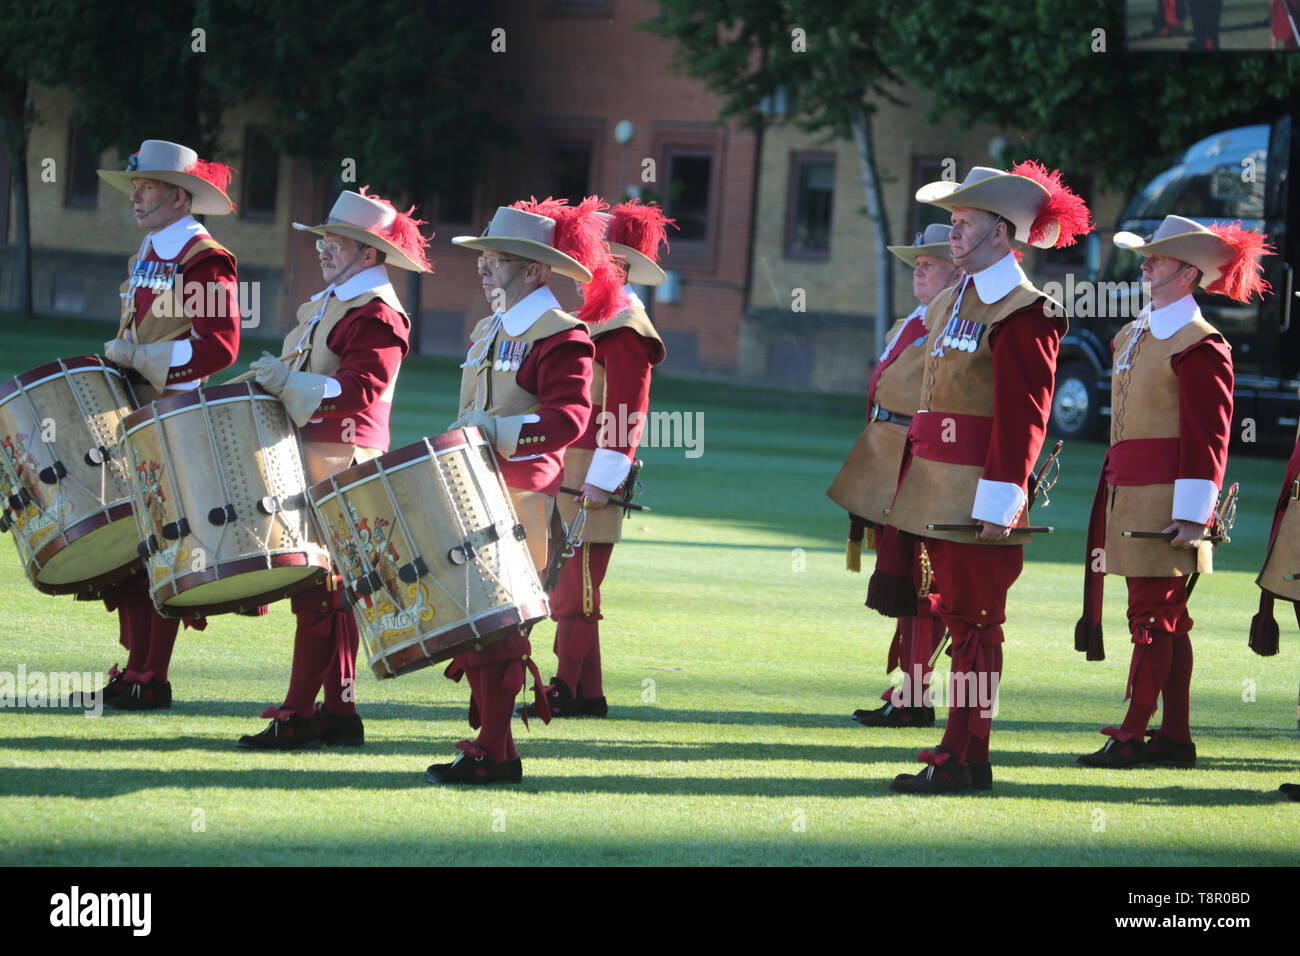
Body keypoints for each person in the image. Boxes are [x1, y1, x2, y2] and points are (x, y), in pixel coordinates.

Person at [885, 162, 1093, 794]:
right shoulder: (953, 298)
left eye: (964, 221)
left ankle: (961, 750)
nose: (952, 232)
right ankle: (969, 755)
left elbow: (1024, 415)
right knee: (958, 619)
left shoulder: (1027, 311)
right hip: (936, 486)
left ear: (1002, 232)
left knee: (975, 624)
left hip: (980, 490)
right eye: (953, 219)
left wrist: (1001, 499)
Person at [429, 198, 617, 784]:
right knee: (481, 624)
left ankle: (494, 751)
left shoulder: (562, 334)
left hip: (525, 496)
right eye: (484, 255)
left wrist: (499, 432)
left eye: (498, 257)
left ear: (534, 270)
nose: (484, 265)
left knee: (502, 628)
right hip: (473, 486)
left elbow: (570, 419)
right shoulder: (489, 327)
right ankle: (493, 750)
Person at [237, 188, 431, 750]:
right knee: (332, 590)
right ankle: (340, 713)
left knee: (318, 592)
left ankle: (296, 716)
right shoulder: (336, 301)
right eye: (324, 237)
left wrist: (288, 383)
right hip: (315, 454)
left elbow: (359, 389)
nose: (324, 247)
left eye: (337, 241)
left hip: (345, 458)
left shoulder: (377, 312)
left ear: (369, 254)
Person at [1076, 216, 1270, 770]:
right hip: (1129, 492)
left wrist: (1193, 516)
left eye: (1157, 259)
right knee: (1169, 618)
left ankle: (1134, 733)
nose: (1145, 265)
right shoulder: (1140, 330)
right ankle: (1176, 737)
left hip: (1165, 501)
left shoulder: (1200, 344)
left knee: (1151, 617)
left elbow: (1210, 435)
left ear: (1187, 274)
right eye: (1147, 256)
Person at [93, 139, 240, 710]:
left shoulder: (204, 258)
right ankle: (134, 670)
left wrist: (148, 362)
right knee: (132, 545)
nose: (137, 196)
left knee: (163, 547)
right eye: (135, 187)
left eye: (147, 187)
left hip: (173, 414)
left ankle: (153, 676)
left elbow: (220, 348)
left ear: (179, 197)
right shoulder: (148, 250)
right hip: (135, 410)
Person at [538, 199, 673, 717]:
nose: (579, 272)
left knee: (578, 590)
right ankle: (587, 692)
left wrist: (604, 479)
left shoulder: (627, 328)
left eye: (590, 262)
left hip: (593, 473)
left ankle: (567, 686)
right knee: (570, 581)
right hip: (571, 468)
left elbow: (628, 413)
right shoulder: (597, 320)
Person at [827, 223, 960, 728]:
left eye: (931, 262)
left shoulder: (952, 326)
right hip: (886, 460)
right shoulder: (910, 323)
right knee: (902, 581)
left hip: (919, 462)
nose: (919, 270)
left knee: (922, 584)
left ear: (956, 270)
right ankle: (906, 688)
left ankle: (917, 694)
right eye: (917, 263)